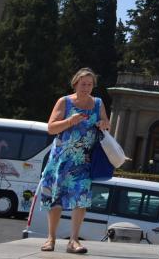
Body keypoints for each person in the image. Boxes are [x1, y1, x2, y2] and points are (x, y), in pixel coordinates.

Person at [38, 68, 110, 253]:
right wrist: (70, 121)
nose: (86, 88)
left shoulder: (98, 103)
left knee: (81, 199)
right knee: (56, 198)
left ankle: (73, 240)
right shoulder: (64, 102)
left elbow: (106, 124)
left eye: (90, 84)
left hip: (84, 160)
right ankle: (51, 238)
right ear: (75, 84)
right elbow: (51, 128)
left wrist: (103, 124)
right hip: (61, 160)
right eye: (83, 84)